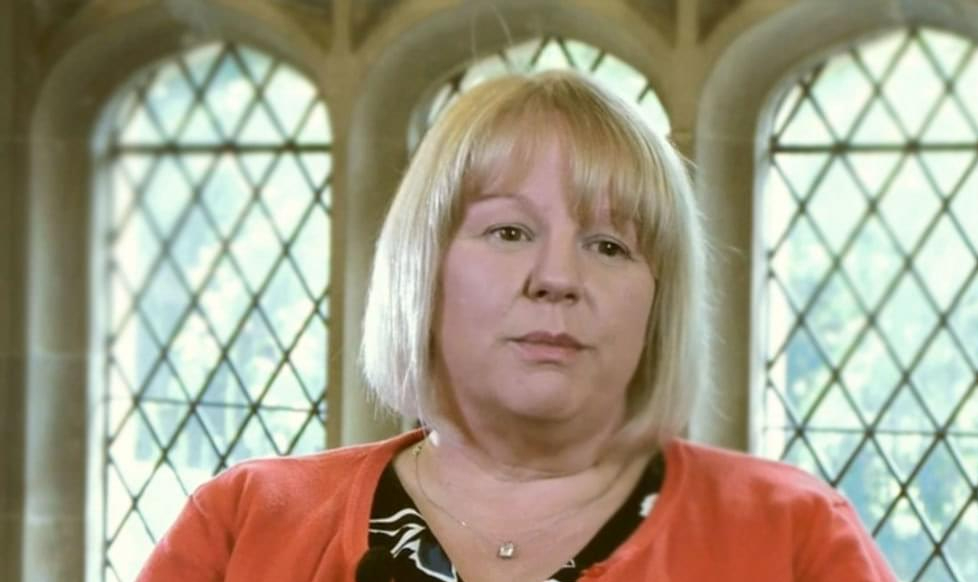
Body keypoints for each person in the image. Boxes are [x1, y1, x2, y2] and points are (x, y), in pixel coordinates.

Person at [139, 71, 898, 582]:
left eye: (609, 245)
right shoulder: (241, 524)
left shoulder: (795, 536)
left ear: (657, 299)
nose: (558, 278)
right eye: (508, 232)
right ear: (423, 267)